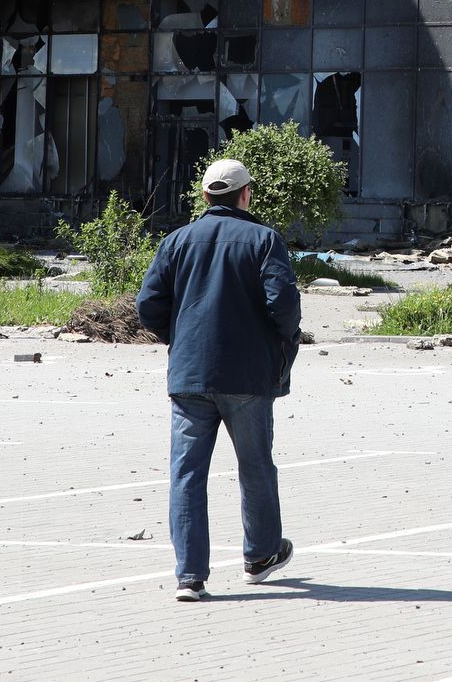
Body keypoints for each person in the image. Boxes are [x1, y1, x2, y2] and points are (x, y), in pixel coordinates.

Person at [135, 157, 302, 601]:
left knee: (187, 474)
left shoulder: (176, 241)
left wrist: (182, 336)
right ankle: (261, 555)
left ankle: (190, 576)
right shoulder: (265, 240)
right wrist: (279, 341)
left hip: (190, 376)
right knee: (256, 467)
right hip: (248, 376)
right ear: (246, 195)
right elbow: (283, 306)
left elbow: (148, 306)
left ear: (206, 196)